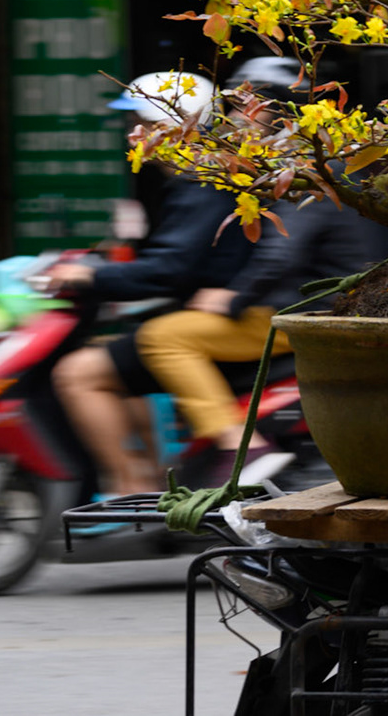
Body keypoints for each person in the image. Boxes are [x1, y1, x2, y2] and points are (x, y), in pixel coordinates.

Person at [134, 65, 388, 487]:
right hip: (331, 306)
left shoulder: (305, 171)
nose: (234, 118)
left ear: (271, 113)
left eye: (244, 107)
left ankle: (240, 445)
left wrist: (233, 298)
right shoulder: (331, 164)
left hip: (310, 313)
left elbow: (281, 253)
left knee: (163, 336)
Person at [48, 72, 249, 497]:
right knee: (117, 358)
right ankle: (156, 477)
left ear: (170, 126)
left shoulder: (201, 183)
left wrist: (89, 275)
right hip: (213, 314)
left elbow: (168, 270)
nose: (132, 135)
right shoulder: (203, 176)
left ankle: (131, 486)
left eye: (139, 124)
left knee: (77, 374)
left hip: (231, 320)